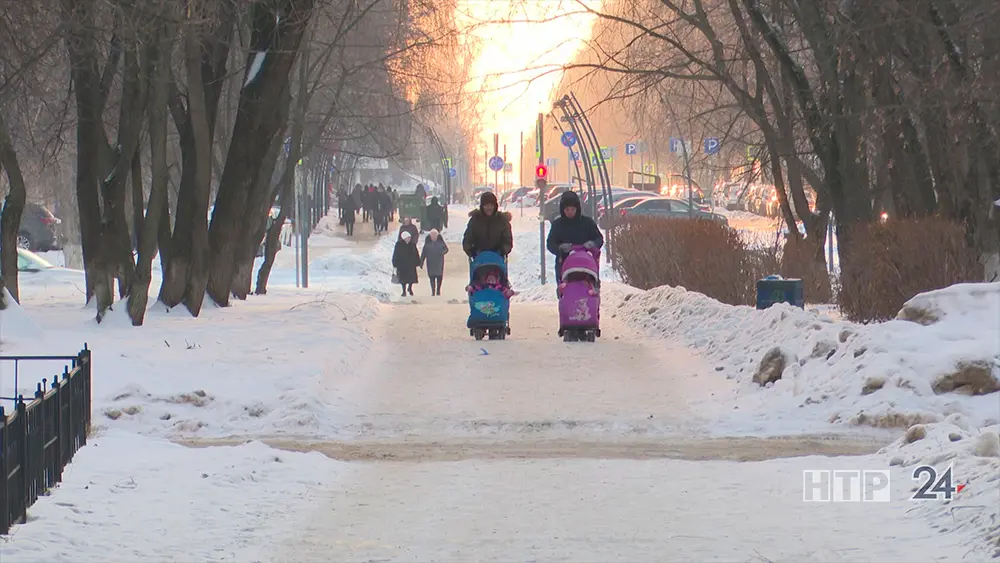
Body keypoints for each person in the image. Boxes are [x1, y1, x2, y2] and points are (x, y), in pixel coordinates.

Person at [546, 190, 603, 285]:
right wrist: (560, 248)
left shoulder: (587, 223)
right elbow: (550, 243)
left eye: (572, 209)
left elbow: (599, 239)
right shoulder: (557, 225)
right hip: (564, 265)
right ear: (562, 210)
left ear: (577, 209)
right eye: (567, 210)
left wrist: (592, 244)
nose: (570, 212)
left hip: (586, 266)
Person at [462, 191, 513, 258]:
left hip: (498, 258)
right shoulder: (475, 220)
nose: (489, 208)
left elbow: (507, 240)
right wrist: (472, 251)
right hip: (479, 258)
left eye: (491, 205)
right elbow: (467, 239)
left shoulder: (502, 221)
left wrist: (502, 251)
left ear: (495, 206)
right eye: (486, 205)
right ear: (482, 206)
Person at [420, 228, 449, 296]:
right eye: (432, 235)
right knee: (431, 277)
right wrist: (421, 262)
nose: (433, 236)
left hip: (439, 262)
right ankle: (433, 291)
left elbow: (446, 249)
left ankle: (438, 290)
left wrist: (442, 252)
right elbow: (423, 253)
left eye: (435, 235)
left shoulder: (441, 242)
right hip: (430, 263)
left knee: (439, 277)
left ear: (437, 235)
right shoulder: (427, 244)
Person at [392, 230, 420, 296]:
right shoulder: (399, 245)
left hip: (411, 264)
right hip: (402, 265)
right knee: (403, 280)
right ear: (404, 238)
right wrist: (395, 263)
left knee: (411, 279)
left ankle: (410, 288)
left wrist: (418, 261)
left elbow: (416, 253)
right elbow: (395, 254)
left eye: (409, 237)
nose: (409, 239)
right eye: (407, 238)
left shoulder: (412, 244)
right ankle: (404, 291)